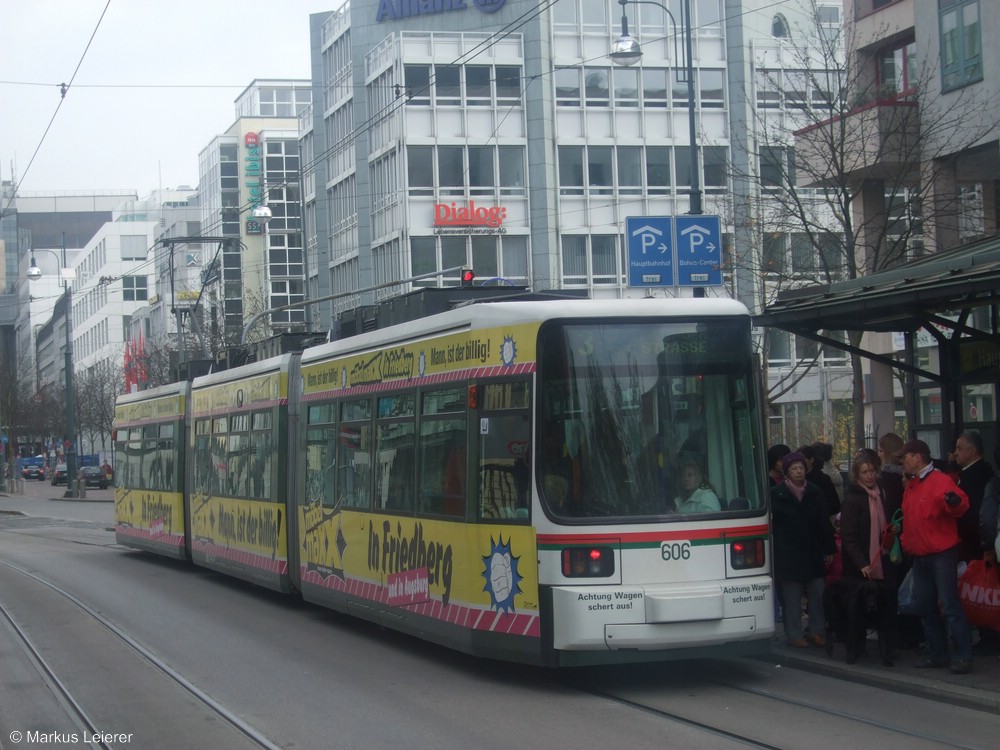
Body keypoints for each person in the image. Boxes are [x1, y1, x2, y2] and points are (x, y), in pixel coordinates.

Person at [897, 439, 973, 674]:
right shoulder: (913, 484)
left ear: (917, 457)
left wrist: (954, 503)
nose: (902, 462)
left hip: (939, 553)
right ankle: (938, 653)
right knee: (927, 606)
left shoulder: (938, 481)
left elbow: (961, 505)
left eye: (905, 458)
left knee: (948, 605)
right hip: (922, 553)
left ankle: (961, 655)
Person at [771, 452, 837, 647]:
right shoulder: (777, 494)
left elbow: (824, 523)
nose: (799, 472)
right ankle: (795, 634)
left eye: (801, 468)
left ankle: (817, 631)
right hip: (788, 553)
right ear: (787, 472)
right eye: (794, 469)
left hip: (812, 551)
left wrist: (829, 548)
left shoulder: (815, 492)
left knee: (817, 593)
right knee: (792, 597)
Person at [839, 452, 899, 664]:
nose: (870, 475)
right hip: (861, 563)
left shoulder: (882, 493)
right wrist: (862, 563)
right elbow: (849, 536)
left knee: (886, 604)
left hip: (883, 558)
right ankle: (857, 648)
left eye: (872, 470)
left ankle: (888, 648)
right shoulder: (853, 499)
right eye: (865, 472)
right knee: (858, 609)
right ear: (857, 475)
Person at [952, 430, 994, 563]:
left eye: (959, 448)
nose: (955, 453)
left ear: (973, 451)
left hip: (974, 544)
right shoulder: (976, 472)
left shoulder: (975, 477)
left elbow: (976, 512)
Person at [799, 444, 841, 520]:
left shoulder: (823, 479)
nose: (799, 462)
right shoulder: (796, 480)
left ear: (811, 459)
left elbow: (833, 505)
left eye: (802, 459)